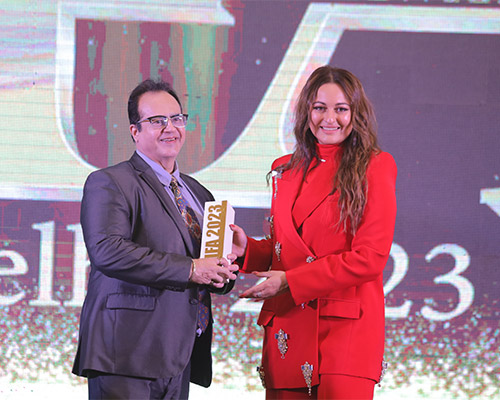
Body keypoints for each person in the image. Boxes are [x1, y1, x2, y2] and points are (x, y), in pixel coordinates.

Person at [230, 66, 397, 399]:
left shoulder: (376, 166)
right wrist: (246, 250)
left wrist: (291, 281)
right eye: (320, 107)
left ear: (356, 114)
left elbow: (370, 258)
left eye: (341, 109)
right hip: (288, 327)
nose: (329, 118)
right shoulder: (285, 169)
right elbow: (286, 249)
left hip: (344, 331)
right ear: (306, 111)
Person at [72, 78, 239, 399]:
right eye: (157, 121)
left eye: (177, 119)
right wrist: (191, 269)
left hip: (179, 352)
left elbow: (208, 266)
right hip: (126, 350)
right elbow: (108, 251)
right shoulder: (110, 181)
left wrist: (226, 267)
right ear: (135, 131)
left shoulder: (199, 193)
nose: (170, 128)